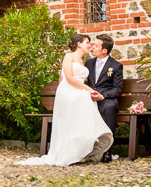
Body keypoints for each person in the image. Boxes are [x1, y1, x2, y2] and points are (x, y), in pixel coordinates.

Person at [15, 34, 113, 166]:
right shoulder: (69, 56)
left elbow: (81, 80)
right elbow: (70, 78)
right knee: (85, 97)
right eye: (87, 42)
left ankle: (82, 143)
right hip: (67, 92)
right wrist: (89, 90)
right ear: (79, 44)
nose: (89, 45)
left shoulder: (83, 61)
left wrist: (89, 91)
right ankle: (79, 143)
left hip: (76, 91)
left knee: (86, 98)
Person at [85, 33, 124, 163]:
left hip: (106, 99)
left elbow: (117, 89)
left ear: (104, 50)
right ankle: (86, 149)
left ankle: (108, 150)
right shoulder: (88, 63)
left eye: (96, 45)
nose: (92, 47)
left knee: (110, 107)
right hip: (90, 98)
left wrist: (103, 96)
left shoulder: (116, 66)